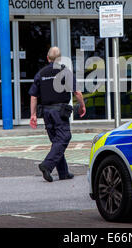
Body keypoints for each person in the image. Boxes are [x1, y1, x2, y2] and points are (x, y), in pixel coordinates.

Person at [29, 47, 86, 182]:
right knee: (65, 136)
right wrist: (82, 106)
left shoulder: (41, 73)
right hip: (59, 113)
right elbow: (77, 92)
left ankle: (63, 172)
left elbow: (33, 96)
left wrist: (33, 115)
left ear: (48, 58)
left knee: (57, 141)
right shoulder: (65, 72)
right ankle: (47, 165)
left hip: (47, 113)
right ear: (59, 59)